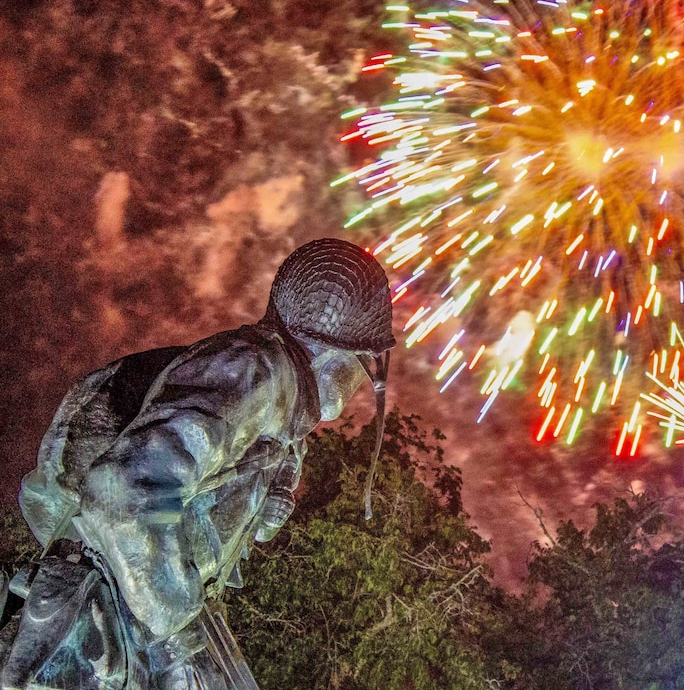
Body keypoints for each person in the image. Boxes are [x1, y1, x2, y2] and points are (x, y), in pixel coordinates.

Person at [1, 238, 394, 689]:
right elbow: (126, 487)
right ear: (333, 358)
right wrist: (176, 629)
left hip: (135, 608)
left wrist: (262, 508)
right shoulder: (255, 367)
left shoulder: (279, 399)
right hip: (116, 614)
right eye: (361, 368)